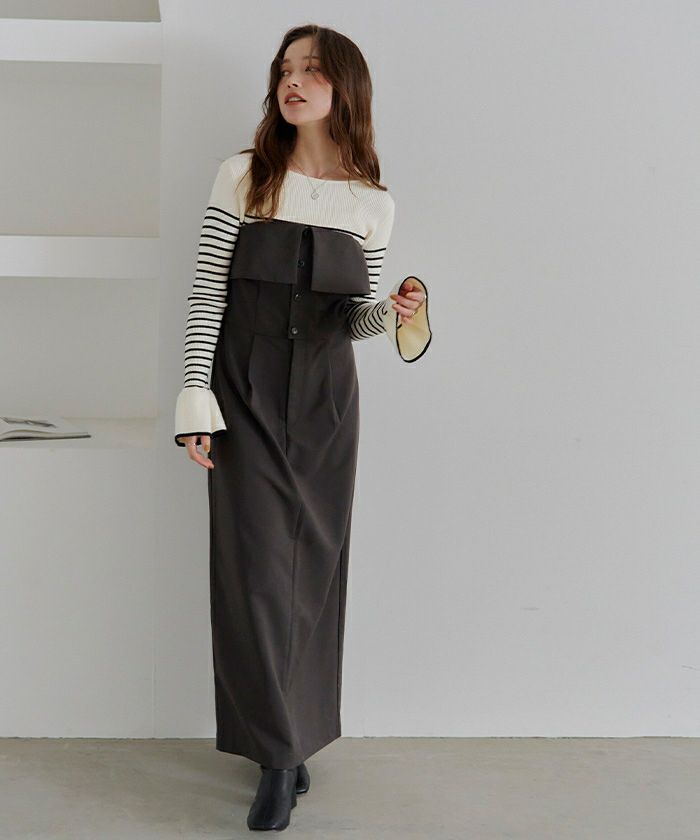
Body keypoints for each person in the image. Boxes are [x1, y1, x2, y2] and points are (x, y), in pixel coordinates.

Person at [173, 24, 432, 832]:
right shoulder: (243, 175)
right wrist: (194, 397)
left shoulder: (372, 202)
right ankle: (277, 758)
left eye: (312, 70)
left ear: (343, 86)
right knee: (253, 573)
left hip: (325, 399)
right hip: (242, 388)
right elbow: (207, 293)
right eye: (285, 69)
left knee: (313, 576)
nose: (294, 81)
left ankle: (290, 741)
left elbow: (350, 321)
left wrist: (394, 314)